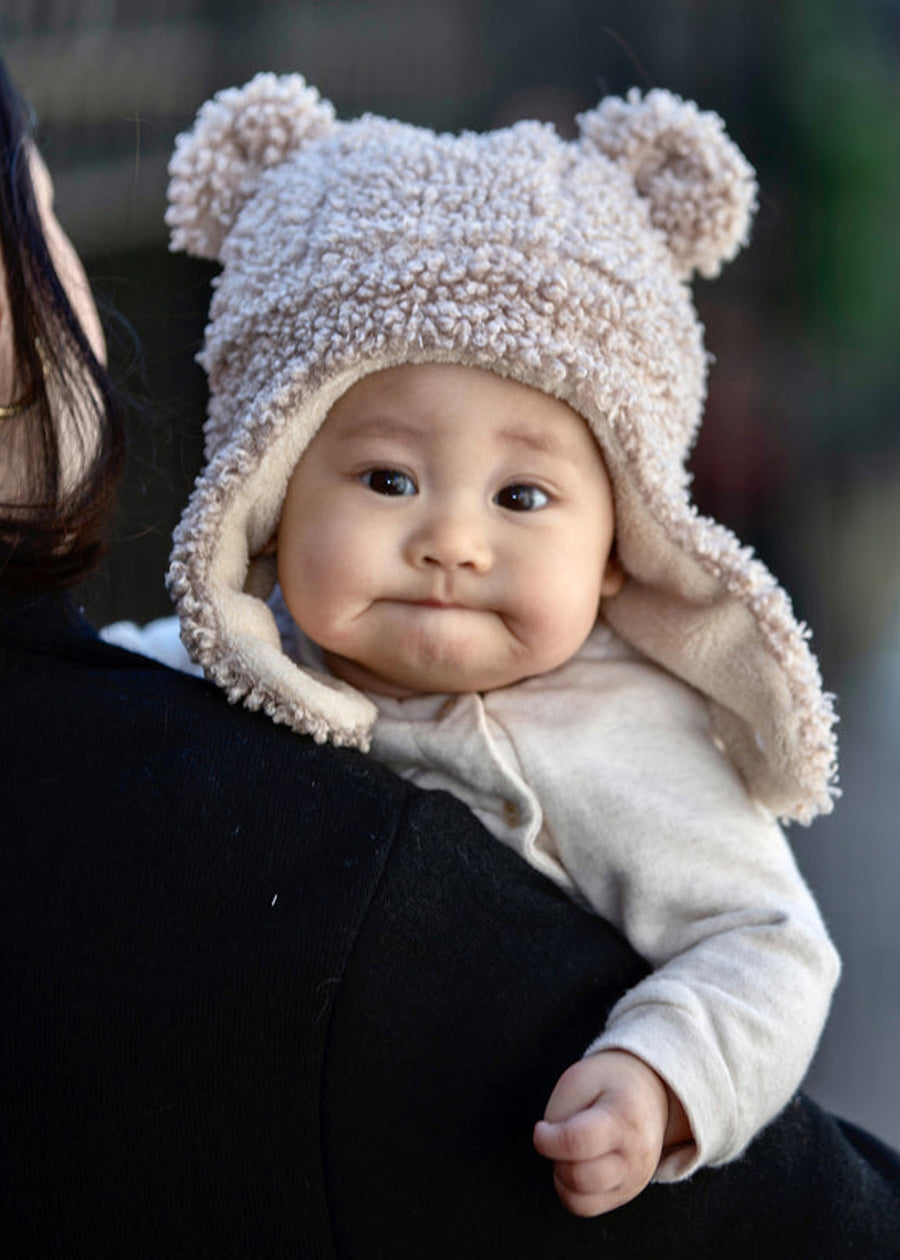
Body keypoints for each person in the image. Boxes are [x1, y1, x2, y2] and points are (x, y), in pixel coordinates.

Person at [4, 57, 900, 1260]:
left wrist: (661, 1077)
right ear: (266, 502)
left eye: (524, 494)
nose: (453, 542)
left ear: (620, 555)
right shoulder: (188, 680)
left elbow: (766, 945)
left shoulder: (636, 742)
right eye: (385, 480)